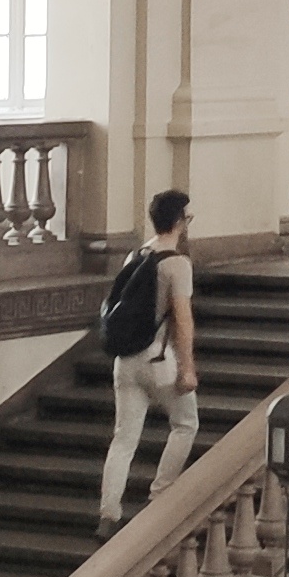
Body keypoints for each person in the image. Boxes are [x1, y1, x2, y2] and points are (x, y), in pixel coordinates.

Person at [96, 189, 201, 534]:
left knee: (124, 438)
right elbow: (182, 321)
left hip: (125, 361)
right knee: (186, 424)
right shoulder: (176, 264)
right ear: (178, 221)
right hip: (159, 360)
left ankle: (109, 513)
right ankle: (160, 498)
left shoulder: (135, 255)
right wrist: (187, 368)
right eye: (187, 218)